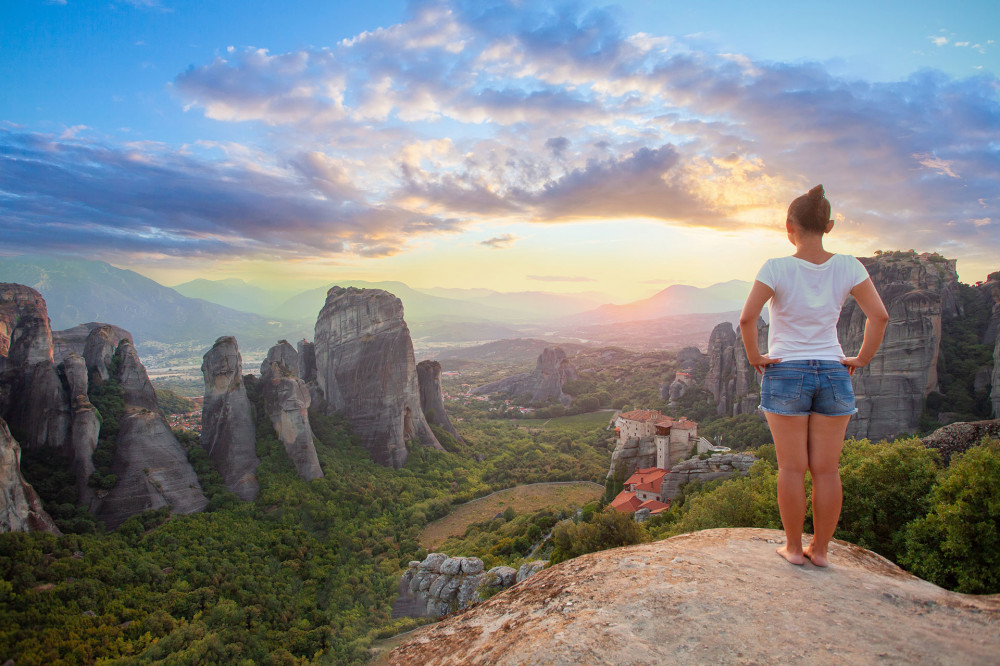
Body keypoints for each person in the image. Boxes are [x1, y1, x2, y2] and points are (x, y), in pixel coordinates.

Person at [739, 185, 888, 567]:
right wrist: (860, 359)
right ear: (830, 225)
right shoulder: (849, 266)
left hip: (785, 370)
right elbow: (880, 316)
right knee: (827, 470)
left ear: (790, 226)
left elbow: (747, 318)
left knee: (791, 468)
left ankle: (792, 548)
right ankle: (820, 551)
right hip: (834, 371)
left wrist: (757, 356)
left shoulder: (776, 267)